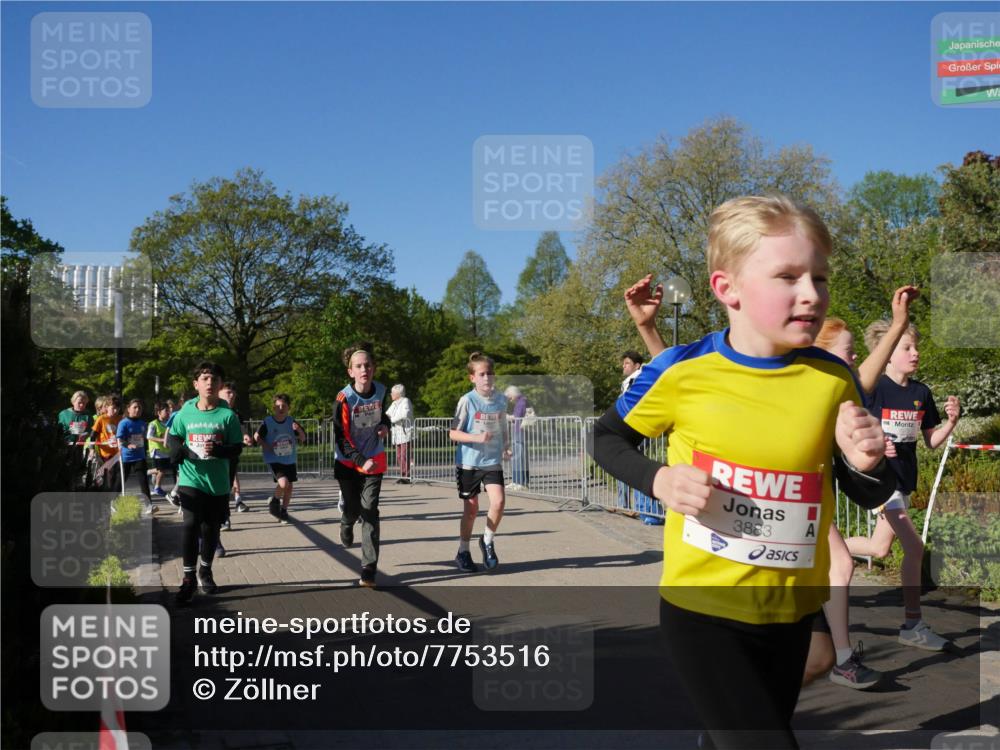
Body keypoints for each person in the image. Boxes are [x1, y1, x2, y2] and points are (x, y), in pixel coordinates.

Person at [590, 195, 894, 749]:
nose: (812, 294)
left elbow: (859, 484)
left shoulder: (833, 378)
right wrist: (658, 480)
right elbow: (606, 438)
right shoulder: (682, 371)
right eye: (787, 276)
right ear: (727, 288)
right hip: (703, 610)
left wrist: (865, 461)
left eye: (820, 278)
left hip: (792, 610)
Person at [626, 277, 920, 690]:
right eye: (848, 353)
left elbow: (864, 380)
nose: (854, 361)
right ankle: (839, 661)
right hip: (738, 548)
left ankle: (744, 712)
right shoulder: (769, 375)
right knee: (839, 566)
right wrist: (648, 330)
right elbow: (684, 383)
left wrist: (896, 325)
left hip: (798, 538)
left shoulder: (834, 384)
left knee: (811, 659)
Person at [844, 320, 961, 651]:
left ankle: (830, 547)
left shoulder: (921, 393)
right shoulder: (872, 389)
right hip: (880, 481)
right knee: (914, 546)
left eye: (916, 347)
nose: (916, 353)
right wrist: (876, 445)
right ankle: (912, 624)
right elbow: (850, 432)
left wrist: (951, 423)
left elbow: (932, 442)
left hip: (904, 482)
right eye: (906, 348)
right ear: (887, 354)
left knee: (879, 549)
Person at [167, 361, 243, 605]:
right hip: (191, 478)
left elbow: (237, 449)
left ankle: (205, 570)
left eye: (214, 379)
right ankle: (188, 578)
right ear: (196, 384)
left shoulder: (228, 416)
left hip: (217, 483)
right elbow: (175, 439)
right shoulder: (185, 412)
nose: (209, 383)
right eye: (204, 378)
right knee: (190, 524)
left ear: (220, 385)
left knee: (210, 529)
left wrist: (220, 450)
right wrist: (184, 452)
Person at [334, 343, 391, 588]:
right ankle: (346, 523)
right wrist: (359, 460)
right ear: (351, 372)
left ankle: (369, 568)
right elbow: (341, 437)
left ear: (374, 368)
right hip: (348, 462)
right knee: (354, 509)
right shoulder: (344, 398)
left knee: (370, 510)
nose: (364, 369)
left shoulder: (380, 390)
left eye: (367, 365)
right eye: (358, 366)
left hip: (374, 458)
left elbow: (383, 415)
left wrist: (385, 426)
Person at [450, 352, 511, 574]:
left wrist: (506, 445)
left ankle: (487, 540)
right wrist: (476, 438)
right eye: (482, 374)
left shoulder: (501, 400)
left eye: (490, 373)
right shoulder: (467, 400)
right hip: (469, 462)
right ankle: (463, 551)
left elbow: (502, 426)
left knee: (499, 502)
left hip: (492, 461)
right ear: (472, 378)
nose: (487, 378)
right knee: (472, 509)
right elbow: (453, 434)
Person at [254, 394, 307, 526]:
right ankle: (274, 501)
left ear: (289, 407)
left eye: (284, 405)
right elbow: (256, 436)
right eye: (278, 406)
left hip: (289, 458)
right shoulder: (268, 421)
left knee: (289, 487)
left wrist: (299, 430)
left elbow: (303, 438)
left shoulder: (291, 421)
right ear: (273, 407)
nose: (281, 408)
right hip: (273, 458)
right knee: (284, 484)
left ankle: (284, 511)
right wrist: (267, 446)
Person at [218, 381, 253, 518]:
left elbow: (242, 429)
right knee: (220, 485)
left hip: (231, 452)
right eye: (228, 392)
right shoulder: (213, 410)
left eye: (233, 393)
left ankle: (230, 509)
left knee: (230, 479)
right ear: (219, 392)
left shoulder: (236, 414)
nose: (231, 395)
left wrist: (245, 436)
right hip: (214, 453)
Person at [116, 398, 154, 516]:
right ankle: (112, 503)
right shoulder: (124, 423)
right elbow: (120, 439)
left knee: (143, 481)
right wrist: (129, 444)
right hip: (126, 457)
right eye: (135, 407)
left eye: (139, 408)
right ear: (128, 409)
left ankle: (149, 506)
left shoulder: (143, 423)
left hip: (140, 456)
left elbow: (144, 438)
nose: (137, 410)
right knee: (120, 481)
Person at [90, 394, 123, 492]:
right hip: (105, 453)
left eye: (117, 408)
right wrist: (91, 449)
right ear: (107, 407)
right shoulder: (101, 419)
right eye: (113, 408)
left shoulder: (120, 419)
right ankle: (108, 497)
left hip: (118, 452)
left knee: (119, 475)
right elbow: (93, 435)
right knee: (109, 475)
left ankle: (115, 498)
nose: (115, 411)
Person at [386, 384, 414, 484]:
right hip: (397, 434)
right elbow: (387, 414)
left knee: (404, 455)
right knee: (399, 456)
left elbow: (405, 414)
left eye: (392, 393)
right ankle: (402, 475)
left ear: (398, 394)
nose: (391, 394)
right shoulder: (394, 403)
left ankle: (407, 476)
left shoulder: (405, 401)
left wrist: (392, 419)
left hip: (405, 432)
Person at [504, 385, 530, 491]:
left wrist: (506, 417)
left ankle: (520, 482)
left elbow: (517, 417)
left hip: (520, 431)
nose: (509, 400)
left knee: (519, 458)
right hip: (519, 431)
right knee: (518, 457)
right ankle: (517, 481)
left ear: (513, 394)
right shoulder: (522, 401)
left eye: (509, 397)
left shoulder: (521, 402)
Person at [146, 401, 172, 498]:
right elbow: (149, 436)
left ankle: (147, 472)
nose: (168, 413)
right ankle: (157, 488)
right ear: (159, 412)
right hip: (157, 450)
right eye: (166, 411)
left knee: (162, 469)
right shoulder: (153, 424)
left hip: (166, 451)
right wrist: (162, 440)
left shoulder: (169, 423)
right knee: (162, 469)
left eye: (168, 411)